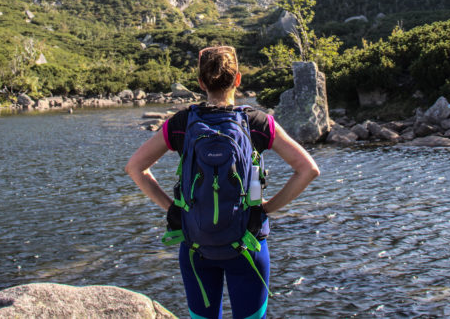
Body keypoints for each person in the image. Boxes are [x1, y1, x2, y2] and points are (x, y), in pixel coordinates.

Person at [126, 45, 320, 319]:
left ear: (201, 82)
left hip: (196, 246)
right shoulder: (257, 122)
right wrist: (267, 208)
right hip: (248, 243)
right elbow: (308, 170)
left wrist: (173, 208)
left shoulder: (181, 123)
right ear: (238, 79)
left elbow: (135, 168)